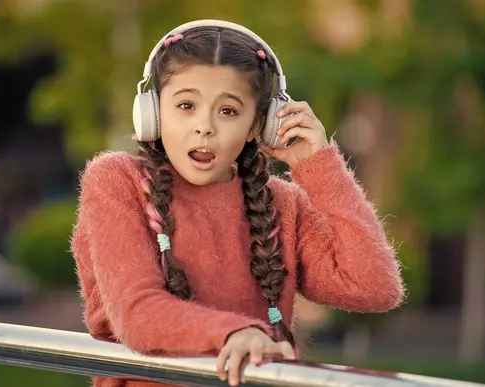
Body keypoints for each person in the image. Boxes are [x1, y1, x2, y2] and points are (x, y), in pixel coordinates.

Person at [71, 19, 404, 387]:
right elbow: (136, 313)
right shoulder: (117, 180)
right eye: (185, 105)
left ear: (256, 128)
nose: (205, 126)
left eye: (228, 111)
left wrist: (320, 166)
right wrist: (234, 333)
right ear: (152, 112)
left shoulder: (281, 204)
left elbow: (374, 287)